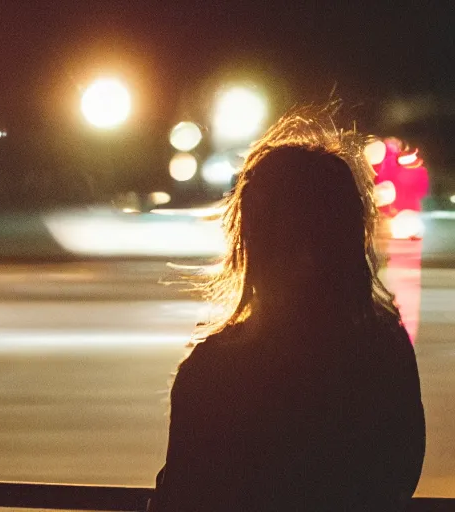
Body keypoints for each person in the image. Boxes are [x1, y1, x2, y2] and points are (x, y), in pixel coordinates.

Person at [149, 108, 426, 511]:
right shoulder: (385, 354)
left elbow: (180, 497)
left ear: (250, 241)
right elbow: (400, 476)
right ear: (352, 239)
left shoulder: (212, 371)